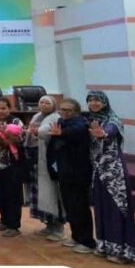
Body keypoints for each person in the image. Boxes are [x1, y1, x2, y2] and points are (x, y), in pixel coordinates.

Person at [85, 90, 135, 265]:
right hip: (98, 169)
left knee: (116, 208)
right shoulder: (89, 119)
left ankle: (122, 251)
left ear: (105, 102)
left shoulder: (112, 119)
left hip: (113, 172)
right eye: (90, 100)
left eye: (97, 100)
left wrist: (103, 133)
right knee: (102, 207)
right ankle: (105, 246)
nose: (93, 103)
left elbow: (110, 130)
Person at [47, 99, 95, 255]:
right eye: (62, 109)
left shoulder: (81, 124)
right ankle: (76, 236)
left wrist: (62, 133)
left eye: (68, 110)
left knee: (80, 207)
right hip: (64, 171)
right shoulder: (61, 122)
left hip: (79, 172)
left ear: (76, 112)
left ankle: (87, 241)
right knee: (70, 206)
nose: (64, 113)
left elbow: (77, 131)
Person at [25, 95, 64, 240]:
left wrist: (37, 132)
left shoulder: (56, 118)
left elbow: (45, 133)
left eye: (47, 103)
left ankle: (58, 227)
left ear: (54, 105)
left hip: (49, 160)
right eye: (41, 102)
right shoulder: (36, 116)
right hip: (35, 159)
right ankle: (49, 224)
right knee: (41, 193)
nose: (43, 104)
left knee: (53, 193)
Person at [0, 124, 26, 237]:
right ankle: (4, 222)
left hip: (11, 172)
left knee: (12, 199)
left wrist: (7, 135)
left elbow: (20, 144)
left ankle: (13, 226)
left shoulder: (15, 124)